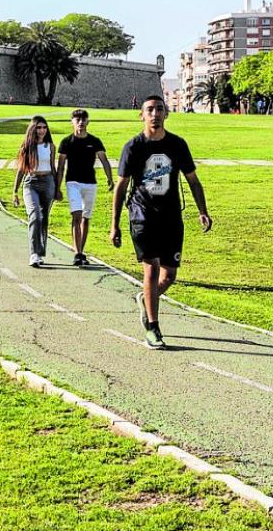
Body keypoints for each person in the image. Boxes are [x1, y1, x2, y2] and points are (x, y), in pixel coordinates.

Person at [110, 95, 212, 350]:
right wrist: (115, 224)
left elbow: (193, 180)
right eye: (150, 110)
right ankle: (153, 328)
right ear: (141, 115)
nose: (155, 113)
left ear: (166, 114)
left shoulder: (178, 145)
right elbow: (120, 187)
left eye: (159, 109)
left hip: (171, 216)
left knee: (169, 276)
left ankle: (146, 298)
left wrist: (203, 211)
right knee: (152, 269)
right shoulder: (133, 147)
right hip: (142, 215)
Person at [56, 109, 114, 266]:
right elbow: (60, 167)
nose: (80, 122)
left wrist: (110, 178)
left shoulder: (95, 141)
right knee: (76, 215)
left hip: (90, 183)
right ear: (72, 122)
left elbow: (104, 160)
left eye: (83, 120)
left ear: (88, 122)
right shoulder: (66, 142)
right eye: (77, 119)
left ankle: (81, 250)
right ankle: (78, 253)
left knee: (86, 218)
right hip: (72, 182)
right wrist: (57, 187)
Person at [11, 116, 62, 267]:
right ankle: (34, 253)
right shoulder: (27, 146)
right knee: (35, 215)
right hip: (31, 182)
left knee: (44, 218)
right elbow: (21, 170)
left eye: (44, 127)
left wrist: (57, 188)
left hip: (48, 182)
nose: (42, 130)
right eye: (39, 127)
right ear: (33, 129)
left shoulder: (51, 146)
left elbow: (53, 168)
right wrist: (15, 191)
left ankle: (40, 253)